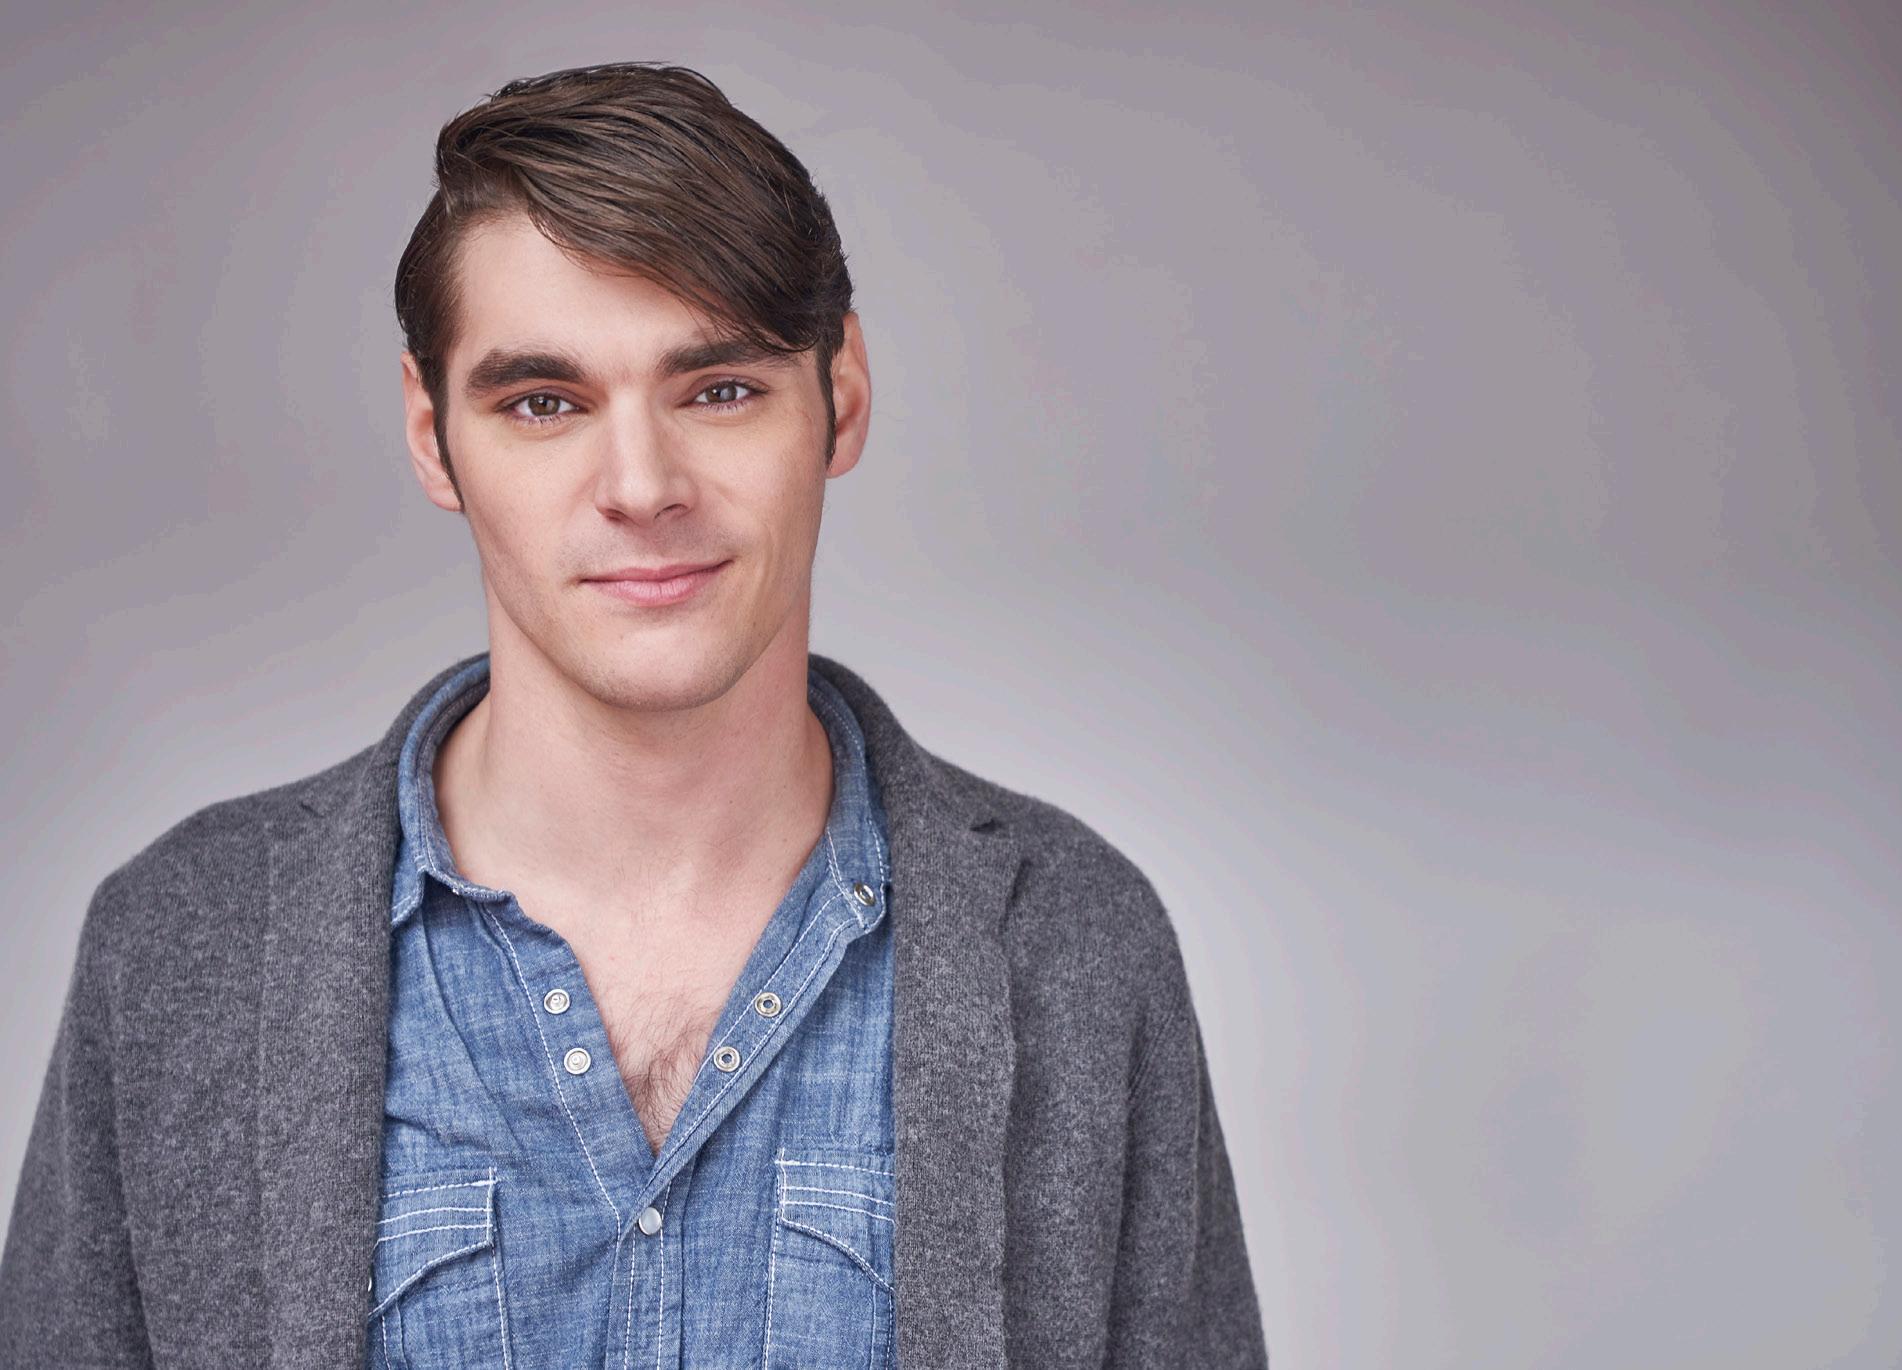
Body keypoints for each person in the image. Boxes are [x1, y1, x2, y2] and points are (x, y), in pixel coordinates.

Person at [0, 61, 1266, 1368]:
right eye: (543, 404)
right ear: (432, 435)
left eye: (718, 389)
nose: (643, 484)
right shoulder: (182, 943)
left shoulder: (1073, 938)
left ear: (840, 397)